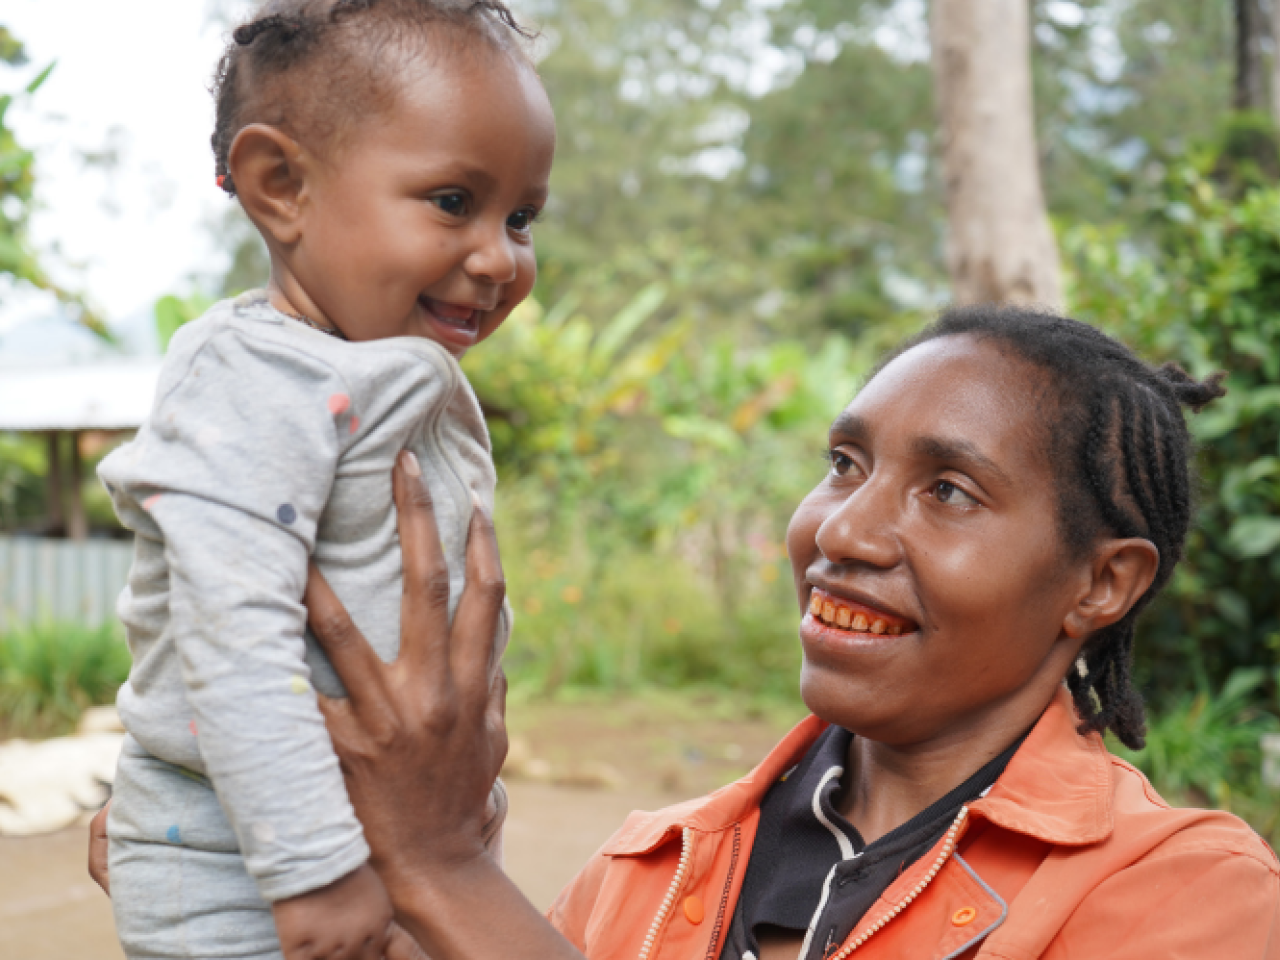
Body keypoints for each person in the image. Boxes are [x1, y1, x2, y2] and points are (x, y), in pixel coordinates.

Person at [93, 304, 1279, 959]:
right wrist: (237, 858)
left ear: (1099, 584)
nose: (840, 530)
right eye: (842, 463)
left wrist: (442, 867)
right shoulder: (651, 868)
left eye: (948, 492)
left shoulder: (1188, 899)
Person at [94, 2, 554, 959]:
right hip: (255, 864)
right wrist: (314, 867)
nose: (498, 257)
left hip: (384, 838)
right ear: (281, 186)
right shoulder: (254, 375)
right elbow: (234, 629)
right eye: (452, 202)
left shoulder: (374, 368)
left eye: (520, 216)